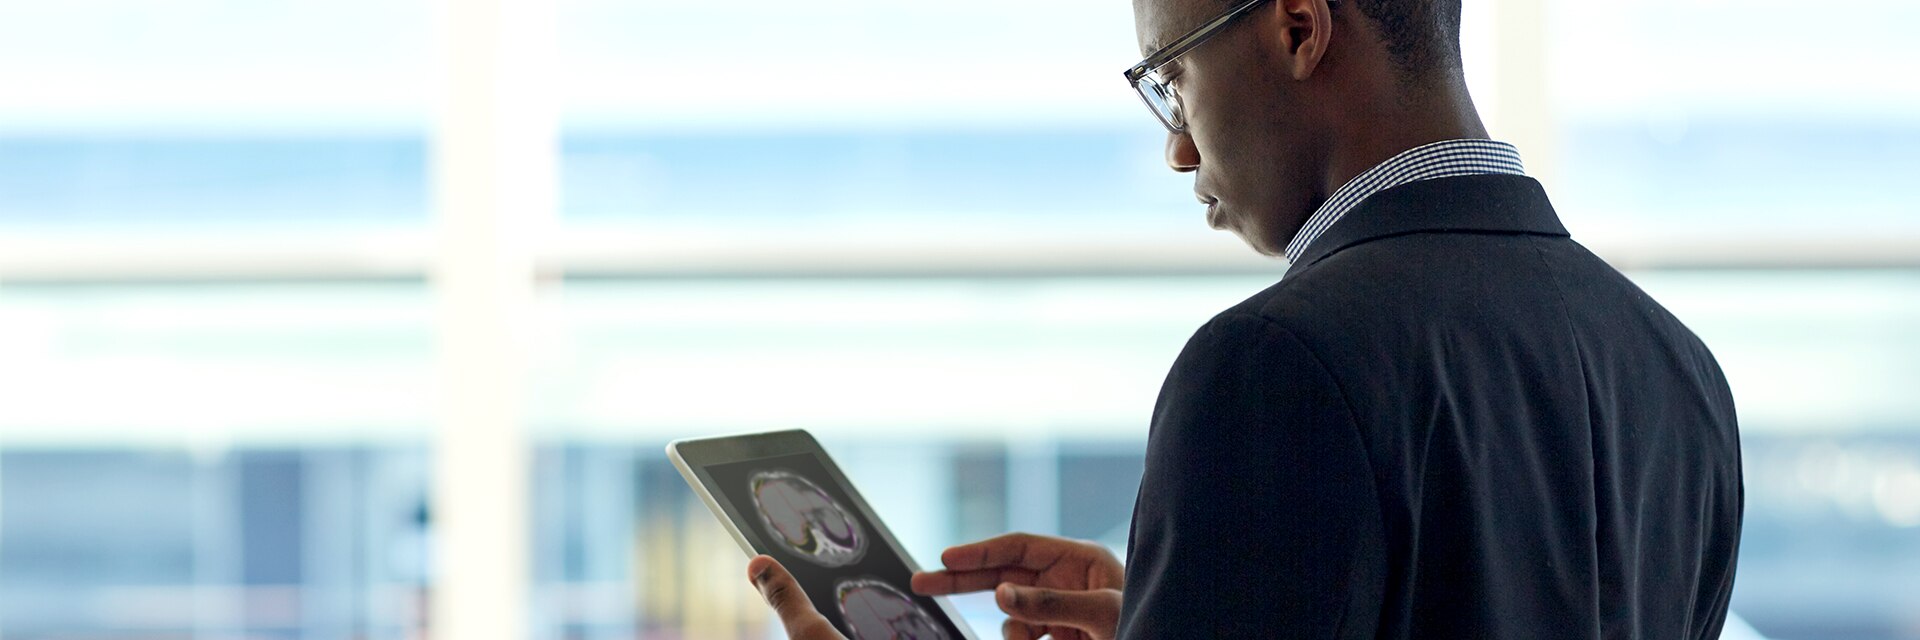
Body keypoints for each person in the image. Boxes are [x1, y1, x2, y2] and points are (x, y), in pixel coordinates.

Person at [746, 0, 1744, 636]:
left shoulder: (1273, 362)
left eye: (1173, 79)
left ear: (1298, 28)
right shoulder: (1677, 365)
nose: (1180, 150)